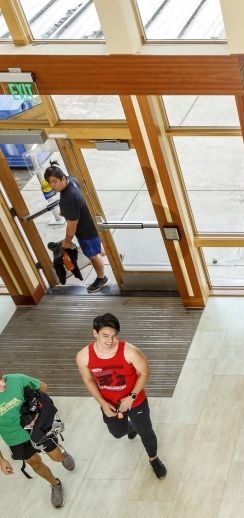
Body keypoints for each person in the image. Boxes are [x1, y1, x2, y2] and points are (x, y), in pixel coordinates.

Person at [75, 313, 166, 479]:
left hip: (135, 401)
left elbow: (145, 372)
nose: (110, 340)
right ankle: (131, 427)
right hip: (109, 404)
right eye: (105, 336)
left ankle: (153, 459)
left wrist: (131, 397)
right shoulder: (83, 356)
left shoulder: (130, 352)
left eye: (114, 335)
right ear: (95, 333)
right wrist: (102, 403)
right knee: (117, 433)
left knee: (146, 432)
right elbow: (88, 380)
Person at [0, 372, 75, 507]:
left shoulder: (17, 379)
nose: (3, 384)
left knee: (56, 457)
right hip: (15, 439)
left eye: (0, 378)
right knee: (35, 464)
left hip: (38, 428)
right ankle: (55, 484)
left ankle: (63, 453)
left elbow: (43, 388)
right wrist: (1, 461)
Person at [44, 161, 109, 293]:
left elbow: (72, 225)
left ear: (62, 178)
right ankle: (100, 251)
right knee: (95, 249)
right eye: (49, 182)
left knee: (92, 256)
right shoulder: (72, 180)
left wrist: (67, 243)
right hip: (92, 222)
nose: (52, 186)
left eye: (54, 182)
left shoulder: (69, 198)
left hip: (86, 231)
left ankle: (101, 278)